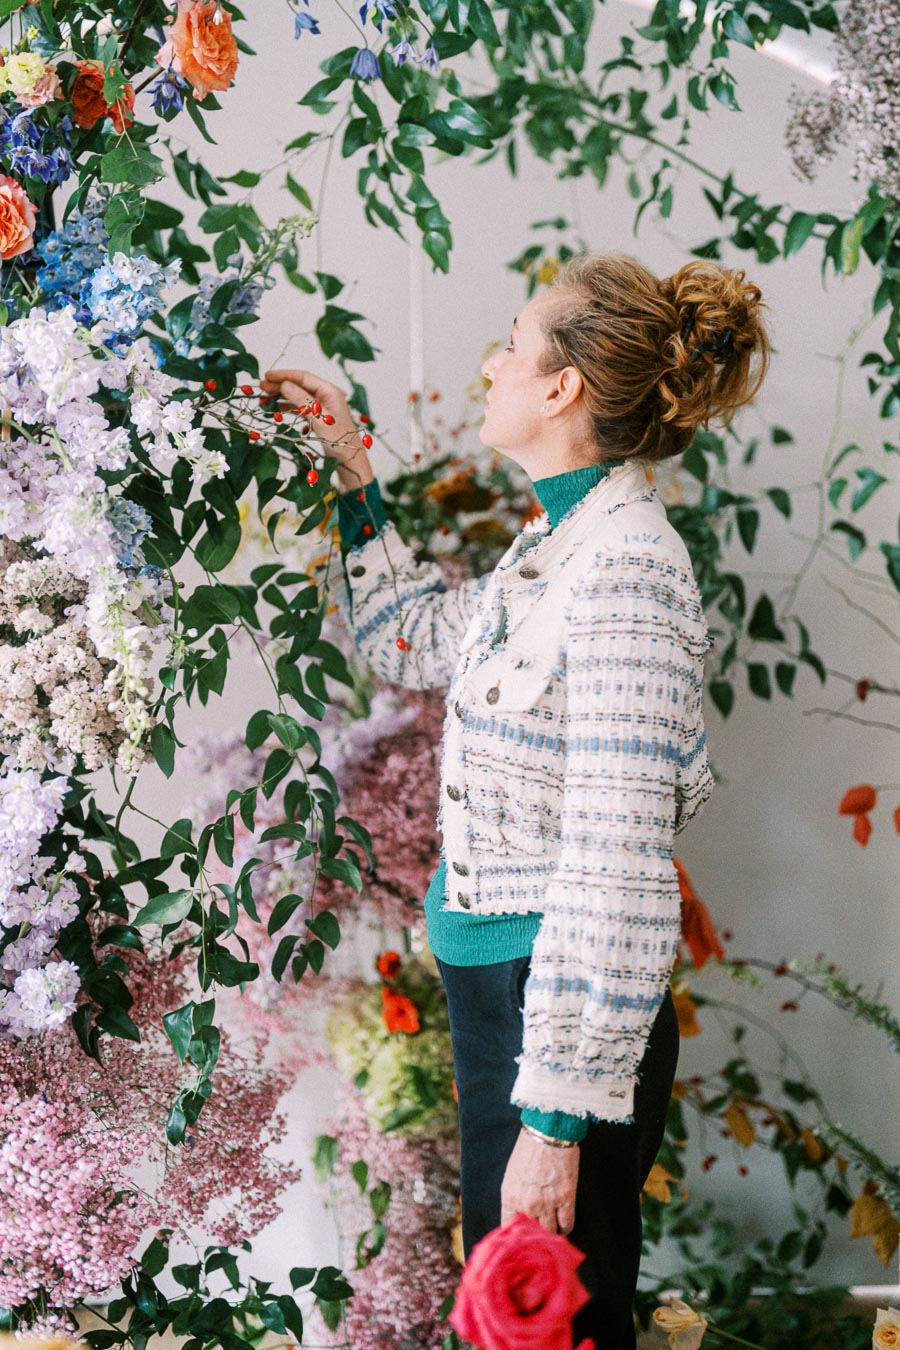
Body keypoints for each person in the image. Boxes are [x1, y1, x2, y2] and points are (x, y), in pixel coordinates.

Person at [262, 251, 770, 1349]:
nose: (489, 363)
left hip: (559, 1008)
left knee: (554, 1333)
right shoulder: (556, 547)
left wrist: (556, 1119)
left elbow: (617, 861)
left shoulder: (628, 567)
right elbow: (414, 636)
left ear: (562, 387)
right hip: (509, 994)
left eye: (512, 341)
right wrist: (351, 475)